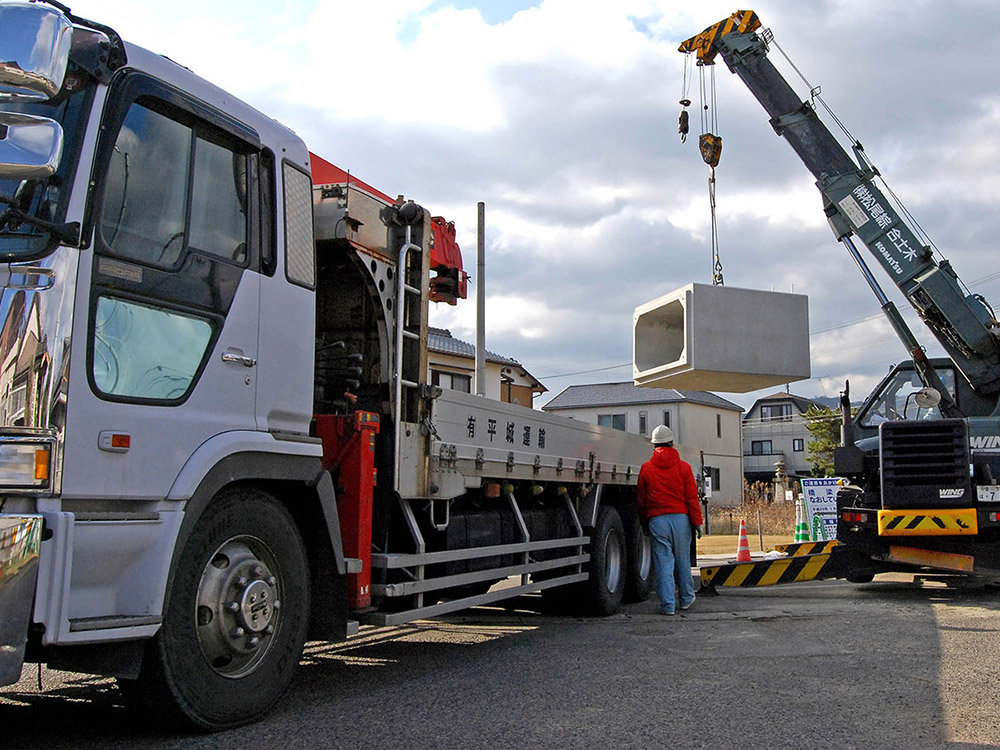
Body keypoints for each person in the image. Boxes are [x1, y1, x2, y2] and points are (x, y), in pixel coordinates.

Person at [637, 425, 703, 616]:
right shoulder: (684, 468)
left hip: (657, 520)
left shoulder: (646, 469)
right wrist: (697, 522)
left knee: (663, 562)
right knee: (682, 560)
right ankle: (686, 598)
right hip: (681, 520)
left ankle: (667, 605)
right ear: (672, 443)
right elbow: (692, 498)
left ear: (653, 445)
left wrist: (644, 521)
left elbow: (642, 499)